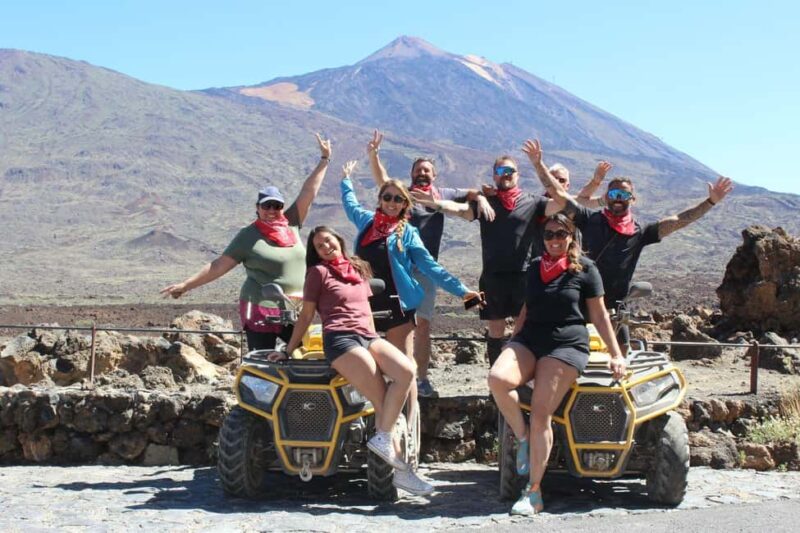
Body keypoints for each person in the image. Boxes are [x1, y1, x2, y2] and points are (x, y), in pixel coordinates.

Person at [271, 225, 434, 496]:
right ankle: (402, 473)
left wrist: (373, 339)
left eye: (327, 241)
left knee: (407, 370)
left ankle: (382, 438)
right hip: (341, 340)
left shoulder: (359, 269)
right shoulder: (317, 273)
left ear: (338, 240)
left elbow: (365, 310)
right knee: (380, 398)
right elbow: (307, 315)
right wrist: (288, 350)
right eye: (319, 246)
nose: (325, 247)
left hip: (368, 336)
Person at [487, 214, 626, 516]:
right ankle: (523, 438)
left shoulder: (586, 270)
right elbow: (527, 307)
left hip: (566, 345)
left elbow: (600, 316)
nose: (554, 239)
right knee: (498, 379)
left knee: (540, 413)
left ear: (571, 236)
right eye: (549, 234)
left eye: (561, 234)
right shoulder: (535, 267)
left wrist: (616, 353)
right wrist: (513, 339)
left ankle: (533, 492)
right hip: (530, 339)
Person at [340, 160, 482, 431]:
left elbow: (431, 268)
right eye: (387, 197)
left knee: (405, 371)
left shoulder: (408, 234)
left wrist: (464, 292)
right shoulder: (367, 222)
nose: (392, 203)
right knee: (368, 366)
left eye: (398, 199)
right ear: (380, 200)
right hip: (366, 305)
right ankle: (375, 422)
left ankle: (409, 426)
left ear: (405, 204)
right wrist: (346, 178)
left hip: (397, 307)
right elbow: (350, 204)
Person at [160, 133, 332, 351]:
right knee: (261, 359)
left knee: (305, 354)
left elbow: (309, 191)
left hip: (295, 308)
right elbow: (219, 265)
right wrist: (186, 285)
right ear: (257, 208)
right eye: (266, 206)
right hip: (260, 306)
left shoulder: (292, 223)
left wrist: (324, 160)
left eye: (276, 206)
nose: (272, 210)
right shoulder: (248, 235)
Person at [411, 139, 571, 367]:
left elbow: (561, 202)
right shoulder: (488, 202)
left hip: (524, 276)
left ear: (518, 175)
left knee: (524, 327)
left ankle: (524, 377)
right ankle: (496, 380)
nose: (505, 175)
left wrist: (538, 165)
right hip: (493, 277)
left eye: (510, 171)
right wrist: (435, 203)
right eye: (500, 171)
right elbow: (460, 210)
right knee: (495, 330)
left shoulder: (533, 202)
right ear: (494, 175)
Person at [367, 130, 494, 398]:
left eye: (427, 170)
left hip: (425, 270)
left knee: (422, 324)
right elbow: (383, 180)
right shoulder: (402, 194)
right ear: (412, 174)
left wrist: (481, 197)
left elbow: (472, 193)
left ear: (434, 175)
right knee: (388, 323)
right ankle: (387, 378)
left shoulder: (442, 193)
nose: (423, 173)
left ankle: (421, 379)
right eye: (418, 170)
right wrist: (374, 156)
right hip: (395, 268)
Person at [571, 173, 734, 353]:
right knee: (576, 351)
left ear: (632, 199)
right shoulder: (589, 219)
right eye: (613, 194)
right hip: (582, 302)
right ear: (606, 197)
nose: (618, 199)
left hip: (615, 309)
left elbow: (678, 220)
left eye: (624, 195)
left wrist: (710, 202)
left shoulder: (639, 232)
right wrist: (538, 165)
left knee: (622, 351)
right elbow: (558, 200)